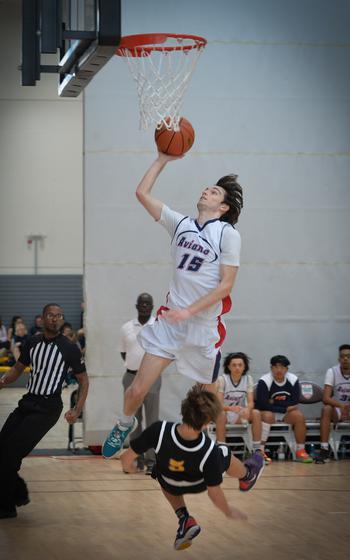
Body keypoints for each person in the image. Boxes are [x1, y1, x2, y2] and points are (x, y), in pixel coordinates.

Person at [103, 152, 243, 458]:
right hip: (170, 326)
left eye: (215, 191)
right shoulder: (180, 223)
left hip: (203, 328)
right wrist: (162, 159)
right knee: (137, 390)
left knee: (206, 403)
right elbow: (141, 193)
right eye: (207, 188)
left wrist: (190, 311)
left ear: (223, 207)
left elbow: (226, 286)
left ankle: (201, 448)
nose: (206, 190)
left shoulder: (228, 234)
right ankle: (124, 423)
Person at [121, 386, 264, 550]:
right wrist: (228, 511)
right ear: (206, 423)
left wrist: (132, 469)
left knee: (158, 470)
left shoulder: (158, 430)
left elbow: (126, 460)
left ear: (183, 409)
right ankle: (247, 475)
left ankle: (184, 518)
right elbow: (214, 492)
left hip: (169, 481)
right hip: (197, 484)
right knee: (223, 451)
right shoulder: (209, 449)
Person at [0, 303, 89, 519]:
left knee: (12, 452)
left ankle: (6, 506)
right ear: (43, 318)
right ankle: (18, 493)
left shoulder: (69, 348)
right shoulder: (32, 342)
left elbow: (84, 381)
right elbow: (17, 369)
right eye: (51, 315)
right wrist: (3, 381)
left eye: (59, 316)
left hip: (48, 408)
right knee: (3, 447)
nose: (55, 319)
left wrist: (77, 410)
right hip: (28, 402)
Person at [120, 293, 161, 474]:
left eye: (148, 304)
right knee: (134, 421)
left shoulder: (159, 326)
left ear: (152, 307)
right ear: (136, 306)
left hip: (152, 377)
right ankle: (137, 458)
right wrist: (135, 368)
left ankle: (152, 460)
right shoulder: (126, 328)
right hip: (131, 378)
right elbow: (123, 352)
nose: (144, 306)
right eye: (141, 303)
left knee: (152, 421)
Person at [255, 355, 312, 463]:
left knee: (298, 416)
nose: (279, 370)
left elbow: (294, 402)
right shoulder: (264, 380)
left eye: (282, 367)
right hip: (270, 412)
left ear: (287, 369)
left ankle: (300, 451)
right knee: (267, 415)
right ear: (271, 368)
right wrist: (284, 407)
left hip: (286, 414)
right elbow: (262, 404)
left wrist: (273, 401)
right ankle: (260, 451)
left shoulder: (293, 380)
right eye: (276, 367)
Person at [215, 352, 269, 463]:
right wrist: (231, 409)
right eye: (234, 365)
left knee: (256, 413)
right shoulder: (222, 379)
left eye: (240, 365)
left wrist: (247, 409)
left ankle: (257, 450)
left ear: (244, 367)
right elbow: (218, 405)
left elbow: (250, 402)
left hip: (237, 414)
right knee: (221, 414)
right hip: (222, 412)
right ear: (229, 367)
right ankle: (222, 450)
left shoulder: (248, 379)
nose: (237, 368)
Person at [317, 344, 350, 462]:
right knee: (326, 409)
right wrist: (341, 406)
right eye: (343, 356)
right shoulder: (332, 371)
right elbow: (325, 398)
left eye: (348, 356)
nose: (346, 359)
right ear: (339, 359)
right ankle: (324, 449)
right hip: (338, 408)